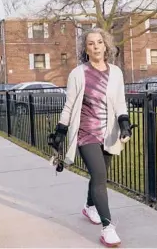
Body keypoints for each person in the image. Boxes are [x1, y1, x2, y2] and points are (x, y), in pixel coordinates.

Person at [49, 27, 134, 247]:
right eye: (90, 43)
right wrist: (60, 131)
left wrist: (124, 125)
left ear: (106, 46)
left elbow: (120, 102)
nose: (95, 47)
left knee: (99, 175)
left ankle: (89, 207)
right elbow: (69, 106)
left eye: (99, 42)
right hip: (86, 133)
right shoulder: (78, 74)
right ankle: (108, 228)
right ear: (85, 49)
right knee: (99, 174)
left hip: (109, 132)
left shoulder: (116, 72)